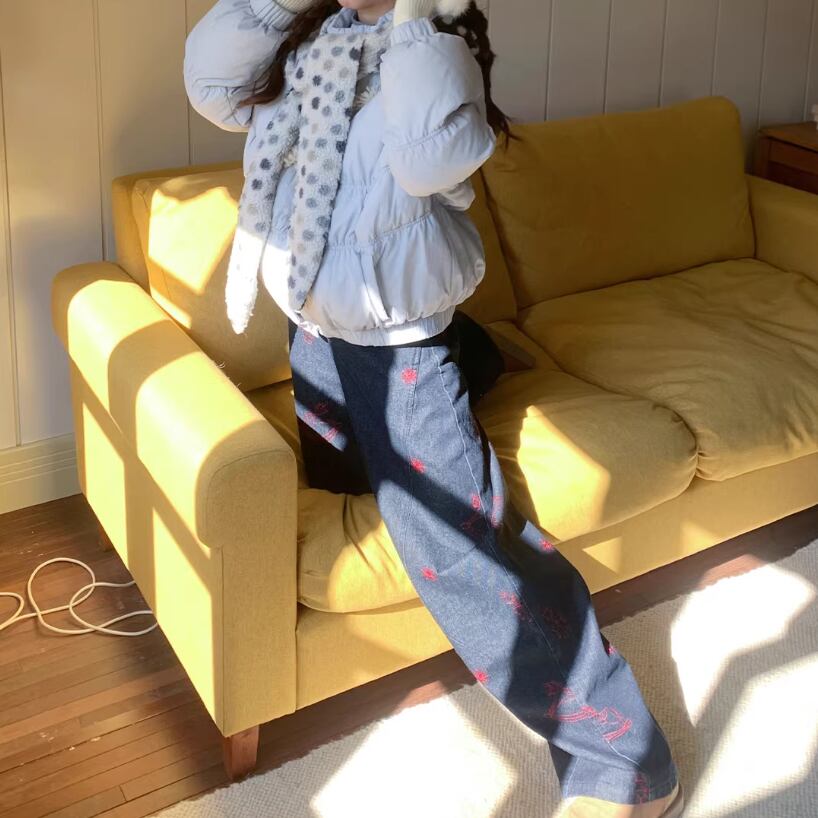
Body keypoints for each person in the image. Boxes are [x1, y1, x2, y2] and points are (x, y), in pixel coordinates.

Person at [183, 2, 684, 815]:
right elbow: (212, 85)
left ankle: (626, 764)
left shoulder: (437, 48)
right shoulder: (309, 40)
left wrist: (414, 15)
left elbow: (429, 162)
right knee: (353, 484)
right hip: (312, 325)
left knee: (459, 549)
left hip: (398, 344)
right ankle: (479, 353)